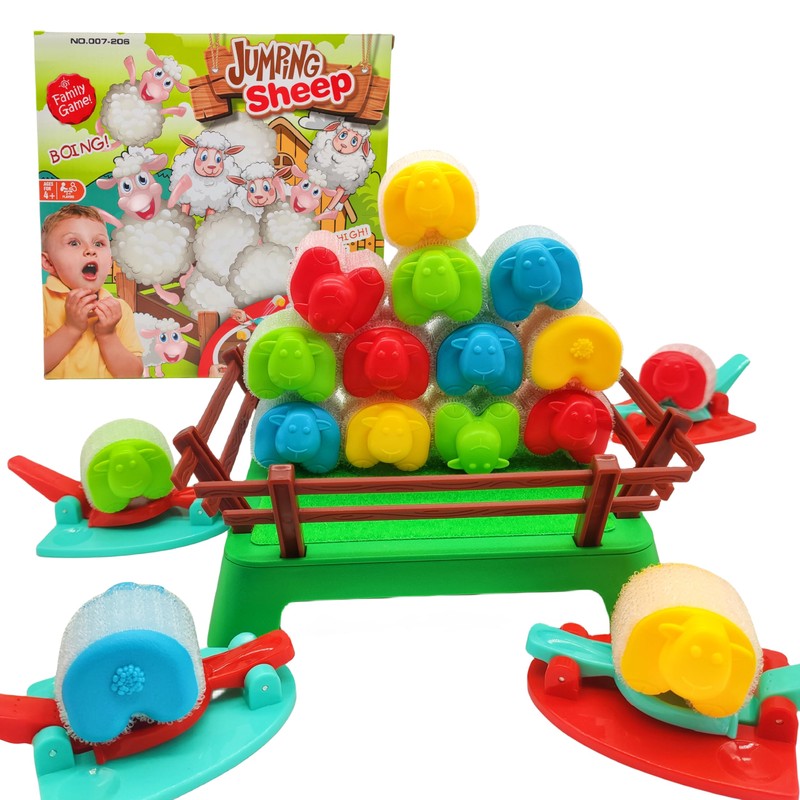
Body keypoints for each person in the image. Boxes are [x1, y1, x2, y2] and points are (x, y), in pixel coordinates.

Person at [41, 205, 143, 379]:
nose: (90, 250)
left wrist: (108, 334)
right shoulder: (41, 299)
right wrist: (71, 328)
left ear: (110, 260)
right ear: (48, 262)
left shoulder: (119, 309)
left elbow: (133, 375)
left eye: (99, 243)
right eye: (74, 243)